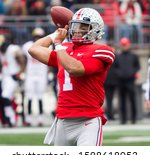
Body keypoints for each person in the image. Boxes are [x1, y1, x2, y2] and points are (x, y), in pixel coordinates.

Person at [28, 8, 115, 146]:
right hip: (62, 119)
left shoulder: (101, 50)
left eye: (83, 26)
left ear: (96, 29)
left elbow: (74, 68)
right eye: (75, 26)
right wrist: (55, 35)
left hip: (88, 120)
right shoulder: (65, 49)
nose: (78, 30)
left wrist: (58, 44)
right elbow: (33, 49)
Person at [22, 27, 49, 126]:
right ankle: (28, 119)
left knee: (40, 97)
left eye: (39, 36)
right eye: (36, 36)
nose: (37, 38)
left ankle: (40, 119)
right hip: (30, 74)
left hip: (41, 74)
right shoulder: (27, 46)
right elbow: (23, 59)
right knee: (29, 96)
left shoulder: (47, 46)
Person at [0, 34, 26, 127]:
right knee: (7, 99)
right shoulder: (2, 51)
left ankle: (11, 119)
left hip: (12, 76)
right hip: (5, 77)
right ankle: (10, 120)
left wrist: (20, 72)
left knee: (5, 97)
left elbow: (22, 59)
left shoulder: (13, 48)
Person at [114, 37, 140, 124]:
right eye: (123, 45)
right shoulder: (118, 56)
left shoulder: (134, 56)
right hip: (121, 81)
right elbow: (115, 68)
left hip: (130, 81)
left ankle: (134, 118)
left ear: (128, 45)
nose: (124, 46)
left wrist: (132, 72)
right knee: (122, 100)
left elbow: (137, 67)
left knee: (132, 99)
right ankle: (123, 119)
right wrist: (119, 74)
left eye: (125, 44)